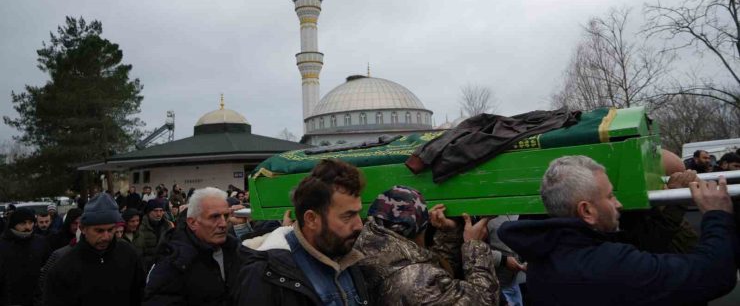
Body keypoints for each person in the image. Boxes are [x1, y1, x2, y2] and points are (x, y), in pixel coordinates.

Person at [498, 155, 738, 306]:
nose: (619, 204)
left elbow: (638, 245)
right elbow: (714, 274)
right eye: (610, 196)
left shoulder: (544, 257)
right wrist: (717, 214)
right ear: (587, 211)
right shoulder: (607, 265)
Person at [235, 158, 371, 305]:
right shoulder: (264, 275)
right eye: (347, 216)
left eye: (358, 214)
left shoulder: (349, 257)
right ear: (311, 219)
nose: (358, 225)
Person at [355, 185, 499, 305]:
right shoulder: (416, 281)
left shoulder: (365, 253)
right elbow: (485, 300)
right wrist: (475, 246)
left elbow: (435, 275)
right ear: (419, 230)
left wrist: (448, 234)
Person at [144, 187, 241, 305]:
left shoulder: (234, 248)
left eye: (225, 216)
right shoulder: (174, 261)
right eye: (214, 217)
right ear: (193, 222)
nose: (223, 224)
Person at [44, 193, 145, 306]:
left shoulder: (129, 255)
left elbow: (140, 295)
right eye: (99, 231)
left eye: (111, 230)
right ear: (82, 229)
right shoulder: (64, 268)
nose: (106, 237)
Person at [0, 207, 52, 306]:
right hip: (9, 299)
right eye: (22, 223)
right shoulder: (2, 244)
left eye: (30, 222)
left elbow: (48, 267)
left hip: (36, 298)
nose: (27, 227)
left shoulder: (40, 242)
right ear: (13, 224)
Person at [139, 198, 174, 270]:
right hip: (145, 267)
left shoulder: (168, 226)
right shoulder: (140, 226)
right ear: (148, 212)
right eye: (155, 211)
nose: (159, 214)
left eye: (161, 211)